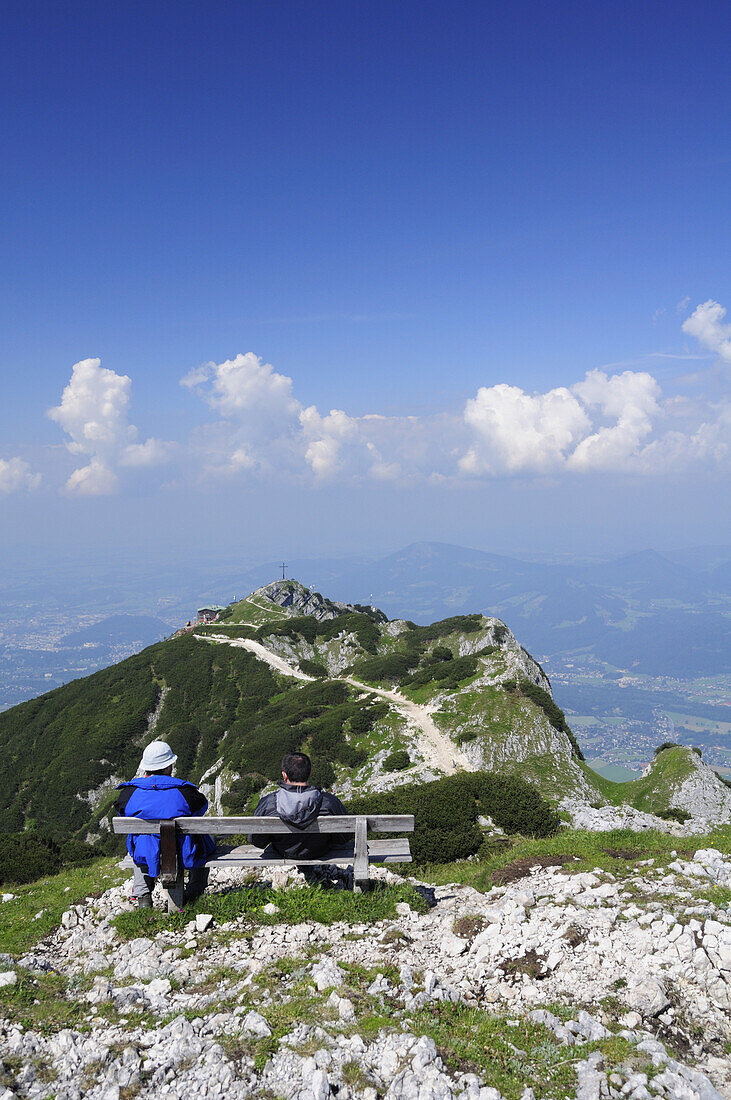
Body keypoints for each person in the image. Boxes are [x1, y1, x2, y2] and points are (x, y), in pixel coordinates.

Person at [114, 740, 215, 908]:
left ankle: (143, 895)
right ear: (169, 767)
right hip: (183, 850)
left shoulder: (129, 793)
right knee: (202, 838)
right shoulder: (186, 792)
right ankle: (195, 891)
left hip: (146, 851)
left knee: (144, 840)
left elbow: (121, 810)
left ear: (146, 767)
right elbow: (201, 808)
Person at [248, 752, 349, 861]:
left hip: (283, 852)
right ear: (310, 773)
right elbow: (344, 837)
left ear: (284, 775)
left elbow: (257, 841)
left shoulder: (269, 803)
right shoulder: (329, 801)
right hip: (320, 852)